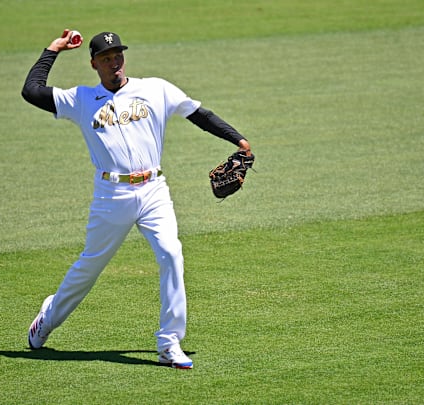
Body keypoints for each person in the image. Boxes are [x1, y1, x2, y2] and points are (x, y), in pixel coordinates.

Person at [21, 29, 252, 369]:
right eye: (105, 59)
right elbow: (31, 91)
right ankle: (47, 320)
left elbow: (198, 114)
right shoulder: (81, 99)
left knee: (171, 253)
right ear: (93, 64)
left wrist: (238, 140)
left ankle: (169, 343)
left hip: (154, 190)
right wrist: (53, 49)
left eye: (118, 56)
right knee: (89, 268)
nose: (114, 63)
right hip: (111, 195)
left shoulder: (155, 89)